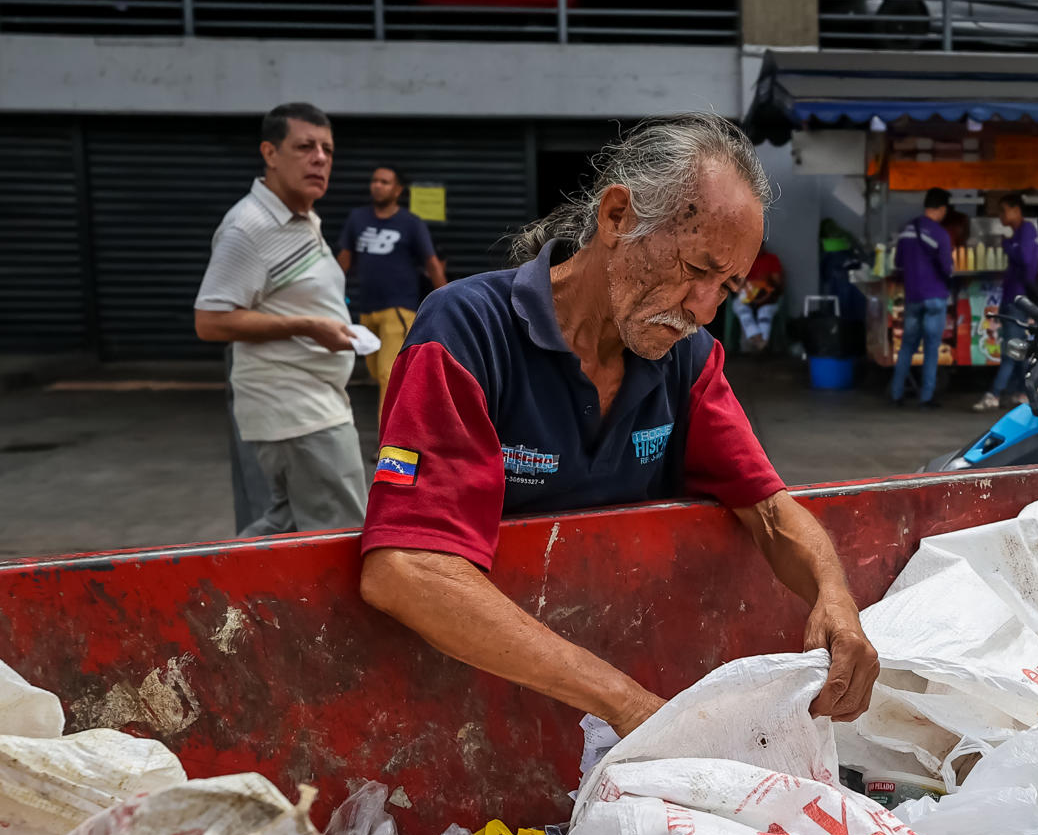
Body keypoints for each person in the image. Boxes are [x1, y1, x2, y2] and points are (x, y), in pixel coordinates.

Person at [357, 114, 879, 735]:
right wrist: (632, 708)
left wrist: (835, 598)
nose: (703, 308)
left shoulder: (687, 358)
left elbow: (767, 508)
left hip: (619, 692)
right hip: (475, 701)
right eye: (695, 269)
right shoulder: (466, 331)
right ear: (616, 218)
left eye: (727, 286)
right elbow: (406, 569)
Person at [195, 101, 368, 536]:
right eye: (305, 146)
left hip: (314, 399)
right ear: (270, 153)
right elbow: (211, 321)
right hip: (296, 409)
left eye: (327, 149)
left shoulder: (302, 217)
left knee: (289, 526)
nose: (320, 159)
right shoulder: (248, 228)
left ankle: (222, 592)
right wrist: (309, 326)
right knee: (342, 532)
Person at [336, 165, 447, 419]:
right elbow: (343, 260)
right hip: (367, 311)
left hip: (398, 310)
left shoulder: (411, 224)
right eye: (375, 180)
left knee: (389, 376)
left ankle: (386, 444)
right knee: (375, 373)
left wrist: (447, 301)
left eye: (385, 182)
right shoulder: (358, 219)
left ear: (397, 190)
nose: (378, 185)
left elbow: (431, 264)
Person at [974, 192, 1038, 413]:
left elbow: (1025, 260)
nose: (1000, 216)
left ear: (1016, 209)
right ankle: (1022, 392)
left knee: (1011, 351)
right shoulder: (1016, 234)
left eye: (1003, 210)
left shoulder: (1027, 231)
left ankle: (994, 394)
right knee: (1017, 348)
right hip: (1011, 300)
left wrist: (1008, 246)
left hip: (1018, 300)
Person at [888, 187, 953, 409]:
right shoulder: (940, 233)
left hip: (913, 296)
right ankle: (926, 398)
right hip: (935, 296)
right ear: (942, 209)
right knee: (931, 348)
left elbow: (897, 264)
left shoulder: (907, 230)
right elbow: (947, 268)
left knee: (907, 346)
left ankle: (896, 394)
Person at [732, 245, 784, 352]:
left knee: (764, 313)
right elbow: (738, 286)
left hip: (768, 297)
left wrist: (766, 283)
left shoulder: (771, 259)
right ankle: (758, 339)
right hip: (749, 295)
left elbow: (777, 283)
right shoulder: (745, 260)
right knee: (741, 308)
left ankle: (761, 345)